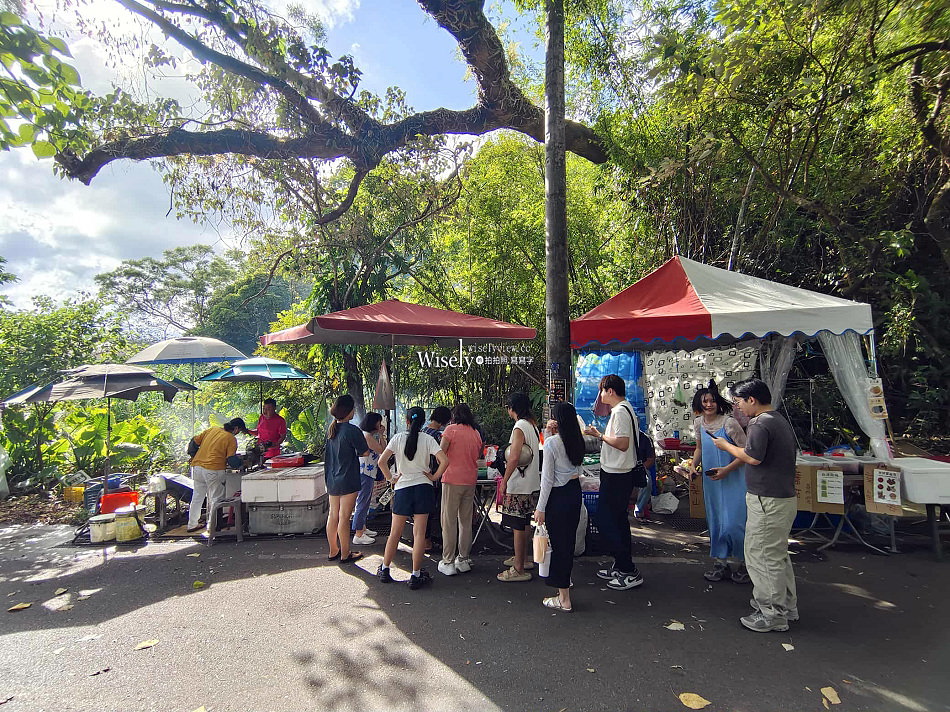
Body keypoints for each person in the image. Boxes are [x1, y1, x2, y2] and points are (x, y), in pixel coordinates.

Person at [712, 378, 799, 633]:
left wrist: (725, 445)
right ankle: (786, 606)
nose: (737, 408)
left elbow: (752, 457)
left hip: (767, 500)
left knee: (761, 556)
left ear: (752, 399)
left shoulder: (760, 423)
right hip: (780, 498)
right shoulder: (778, 419)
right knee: (777, 555)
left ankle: (771, 613)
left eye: (739, 402)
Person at [584, 374, 645, 591]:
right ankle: (621, 565)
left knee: (606, 519)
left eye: (602, 391)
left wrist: (598, 435)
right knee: (618, 521)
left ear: (610, 391)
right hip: (618, 473)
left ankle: (628, 569)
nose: (600, 395)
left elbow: (622, 443)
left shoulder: (620, 411)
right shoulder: (624, 409)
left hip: (618, 474)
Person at [377, 406, 449, 589]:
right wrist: (434, 477)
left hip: (402, 489)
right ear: (423, 421)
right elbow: (445, 461)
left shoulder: (398, 438)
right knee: (419, 535)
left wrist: (390, 478)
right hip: (423, 489)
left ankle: (385, 569)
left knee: (395, 532)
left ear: (407, 421)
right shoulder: (429, 439)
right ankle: (416, 575)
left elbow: (381, 461)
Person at [690, 381, 750, 583]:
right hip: (712, 482)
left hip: (734, 479)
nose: (709, 404)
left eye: (712, 401)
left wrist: (727, 470)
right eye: (705, 401)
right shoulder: (698, 423)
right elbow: (699, 448)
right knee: (716, 522)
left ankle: (744, 563)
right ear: (699, 403)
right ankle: (720, 562)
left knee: (735, 523)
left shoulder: (729, 423)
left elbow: (746, 453)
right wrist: (693, 466)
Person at [534, 401, 584, 612]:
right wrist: (548, 433)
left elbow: (546, 480)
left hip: (558, 497)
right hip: (574, 492)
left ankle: (564, 599)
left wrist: (540, 508)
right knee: (567, 543)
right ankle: (566, 583)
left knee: (560, 547)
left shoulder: (553, 444)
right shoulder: (578, 440)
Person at [496, 392, 541, 583]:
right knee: (524, 523)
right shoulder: (531, 424)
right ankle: (523, 558)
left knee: (517, 525)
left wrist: (504, 480)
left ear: (511, 408)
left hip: (519, 484)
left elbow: (514, 457)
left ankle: (519, 568)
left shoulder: (519, 426)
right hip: (531, 482)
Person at [437, 403, 483, 576]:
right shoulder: (475, 433)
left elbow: (441, 453)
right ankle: (463, 559)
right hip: (470, 480)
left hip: (451, 479)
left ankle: (448, 561)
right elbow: (477, 455)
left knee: (448, 521)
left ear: (454, 416)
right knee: (466, 522)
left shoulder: (450, 430)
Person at [324, 395, 370, 564]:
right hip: (348, 478)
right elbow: (364, 452)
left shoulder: (331, 430)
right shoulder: (352, 430)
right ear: (349, 411)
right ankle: (345, 553)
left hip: (332, 478)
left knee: (333, 515)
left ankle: (333, 551)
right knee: (344, 517)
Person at [188, 418, 249, 533]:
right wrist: (243, 463)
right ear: (236, 428)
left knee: (197, 497)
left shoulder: (212, 429)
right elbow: (231, 460)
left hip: (197, 467)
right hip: (213, 470)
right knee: (216, 499)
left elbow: (193, 442)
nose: (238, 433)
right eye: (239, 431)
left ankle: (192, 525)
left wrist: (193, 455)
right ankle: (212, 527)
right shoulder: (231, 438)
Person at [352, 412, 387, 545]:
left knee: (365, 501)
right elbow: (382, 450)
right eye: (379, 422)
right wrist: (382, 434)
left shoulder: (368, 435)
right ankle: (358, 534)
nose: (381, 424)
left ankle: (362, 528)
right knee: (362, 501)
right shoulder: (367, 436)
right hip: (365, 472)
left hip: (367, 471)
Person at [422, 406, 451, 550]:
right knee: (433, 510)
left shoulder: (422, 431)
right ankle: (429, 541)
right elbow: (442, 459)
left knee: (423, 510)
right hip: (434, 477)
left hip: (422, 475)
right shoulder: (438, 436)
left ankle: (424, 540)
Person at [633, 428, 657, 519]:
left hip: (640, 467)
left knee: (647, 482)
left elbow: (650, 459)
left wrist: (640, 469)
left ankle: (639, 507)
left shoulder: (646, 439)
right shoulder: (621, 436)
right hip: (623, 466)